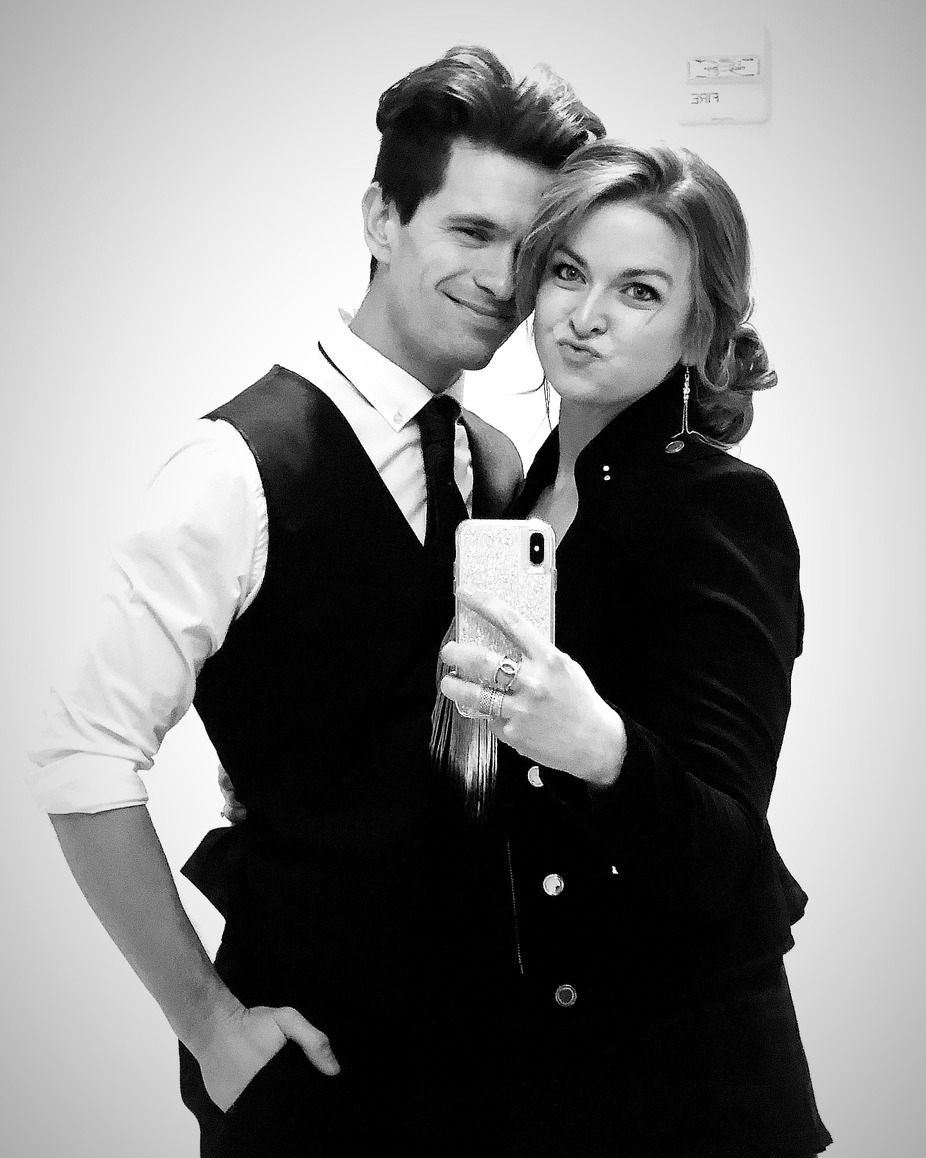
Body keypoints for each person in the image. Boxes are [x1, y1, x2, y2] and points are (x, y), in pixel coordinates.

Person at [26, 46, 604, 1157]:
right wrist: (209, 1027)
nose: (503, 281)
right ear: (382, 218)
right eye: (470, 232)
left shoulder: (496, 461)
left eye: (529, 250)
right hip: (308, 1062)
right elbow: (80, 758)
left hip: (483, 1062)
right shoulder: (231, 467)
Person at [439, 139, 833, 1157]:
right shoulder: (522, 493)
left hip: (687, 1089)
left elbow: (725, 847)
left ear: (698, 328)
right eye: (569, 273)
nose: (587, 314)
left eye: (639, 291)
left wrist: (602, 747)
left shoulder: (718, 506)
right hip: (545, 1074)